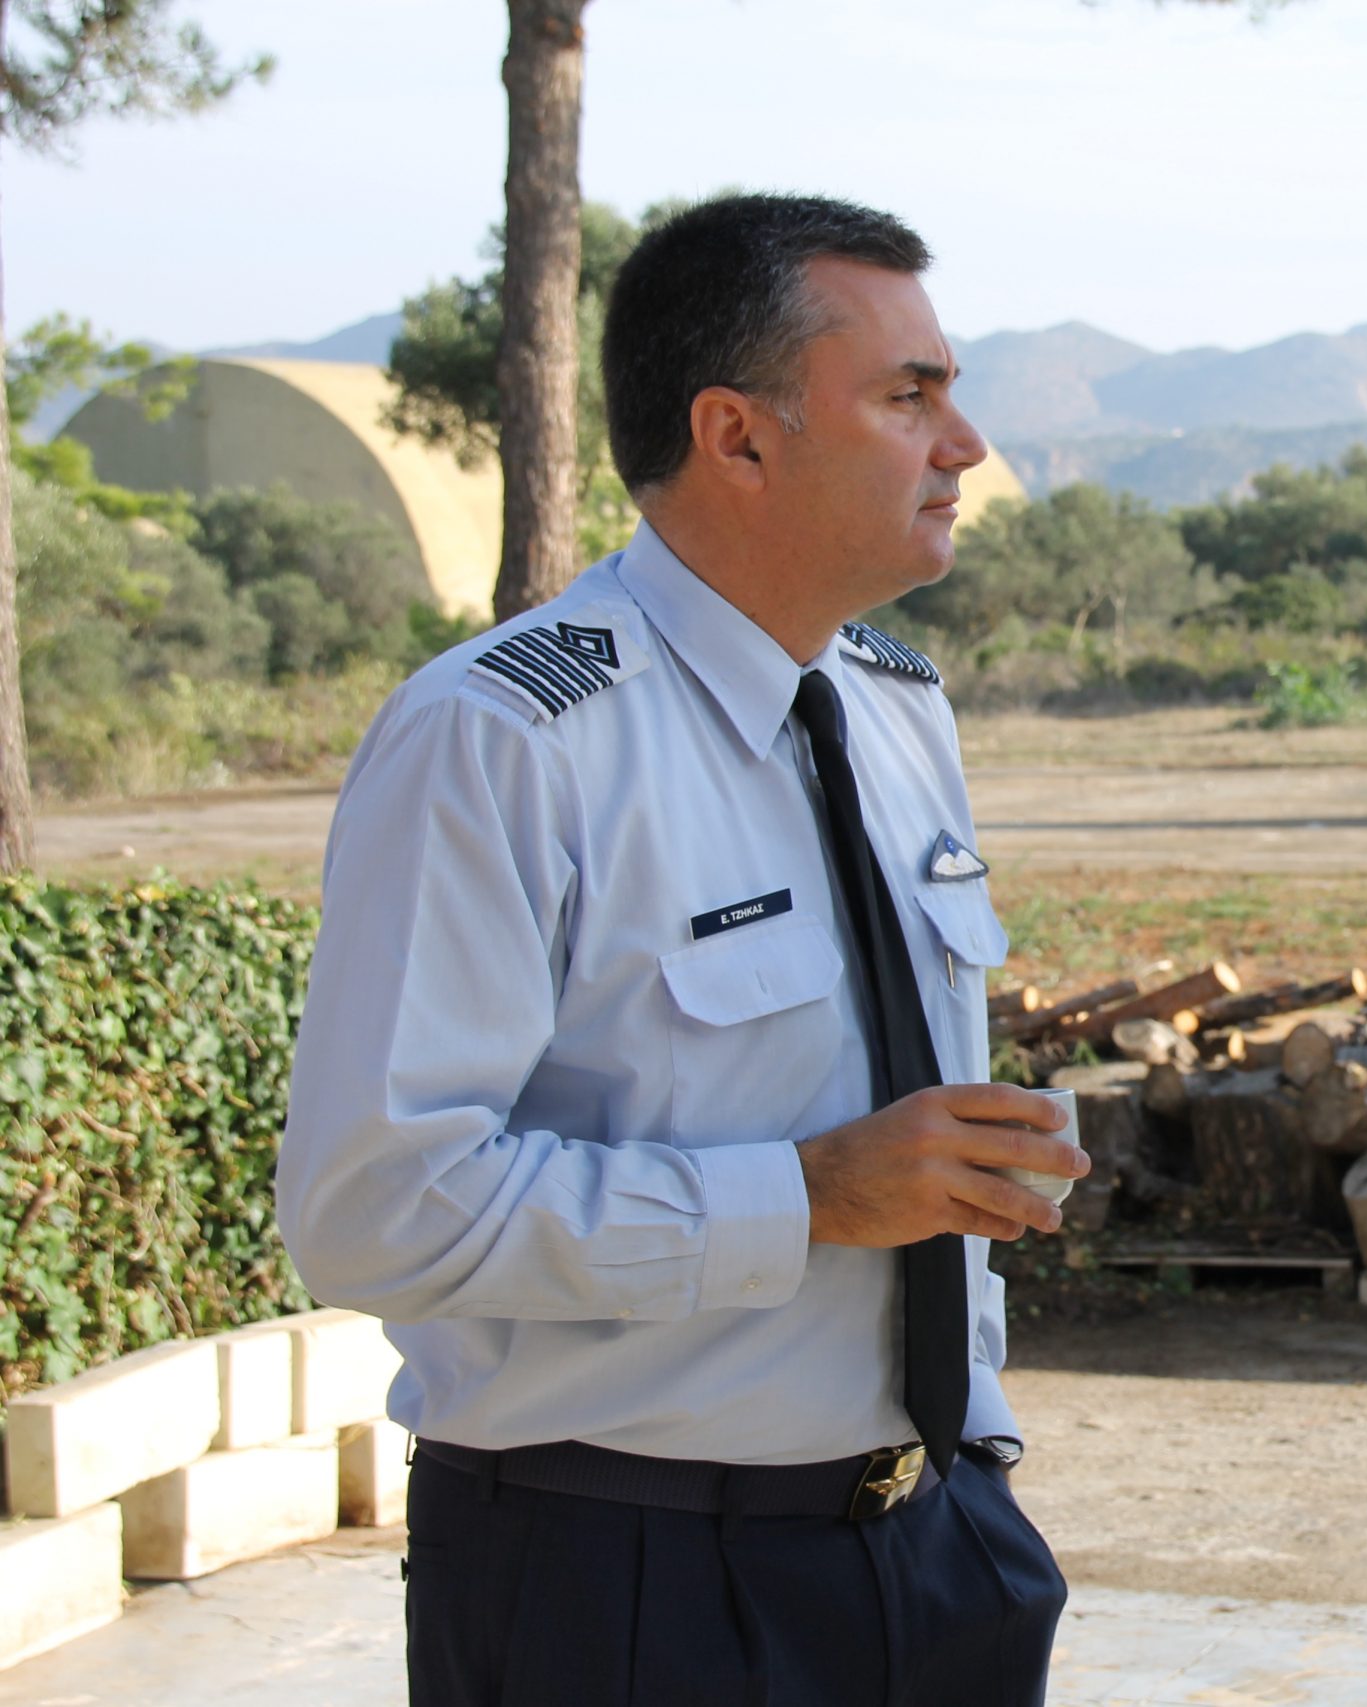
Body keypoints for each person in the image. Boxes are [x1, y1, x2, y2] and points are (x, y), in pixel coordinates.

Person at [278, 193, 1083, 1707]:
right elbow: (374, 1212)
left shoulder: (896, 708)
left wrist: (974, 1453)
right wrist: (807, 1197)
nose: (964, 446)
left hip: (932, 1554)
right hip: (622, 1579)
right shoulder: (503, 739)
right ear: (737, 437)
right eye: (910, 397)